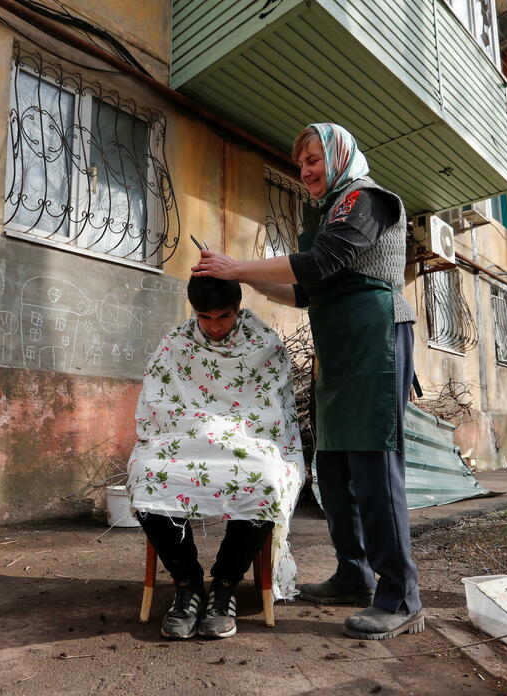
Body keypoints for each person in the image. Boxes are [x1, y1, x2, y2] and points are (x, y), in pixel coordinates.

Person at [192, 123, 422, 640]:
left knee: (373, 464)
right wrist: (243, 278)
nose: (307, 170)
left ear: (339, 156)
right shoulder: (322, 213)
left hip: (375, 339)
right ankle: (353, 574)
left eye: (315, 159)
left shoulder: (367, 200)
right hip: (339, 351)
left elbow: (321, 262)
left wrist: (237, 264)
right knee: (335, 467)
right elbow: (307, 291)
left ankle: (401, 595)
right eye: (301, 164)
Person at [127, 276, 304, 640]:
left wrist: (228, 431)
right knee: (146, 475)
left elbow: (274, 410)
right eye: (205, 317)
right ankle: (187, 583)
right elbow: (156, 402)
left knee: (267, 478)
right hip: (185, 436)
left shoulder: (264, 344)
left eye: (224, 316)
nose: (215, 327)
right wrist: (202, 427)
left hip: (249, 439)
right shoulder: (175, 343)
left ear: (238, 309)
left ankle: (225, 584)